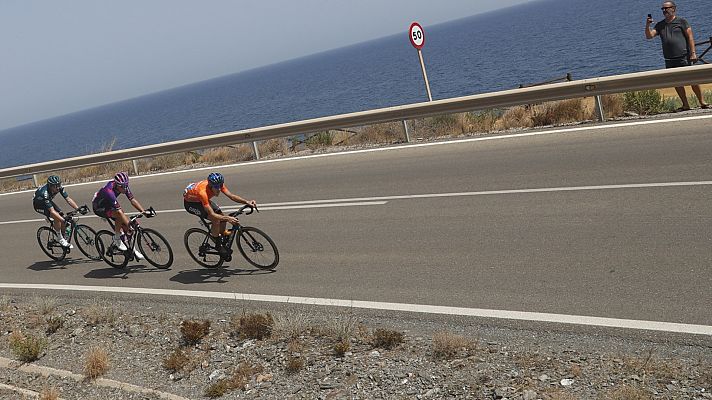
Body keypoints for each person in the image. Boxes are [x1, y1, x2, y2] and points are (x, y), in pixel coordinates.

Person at [645, 1, 710, 111]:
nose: (665, 11)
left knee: (693, 80)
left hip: (684, 57)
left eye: (667, 8)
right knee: (677, 83)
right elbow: (649, 36)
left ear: (674, 9)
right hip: (670, 59)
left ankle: (702, 102)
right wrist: (647, 25)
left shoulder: (682, 21)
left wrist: (693, 53)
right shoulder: (660, 25)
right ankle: (685, 105)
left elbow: (690, 37)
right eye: (663, 9)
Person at [183, 172, 256, 255]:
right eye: (216, 187)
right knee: (216, 220)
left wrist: (247, 202)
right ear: (210, 186)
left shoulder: (218, 185)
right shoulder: (202, 193)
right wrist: (228, 218)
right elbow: (212, 214)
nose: (219, 189)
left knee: (222, 217)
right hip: (191, 204)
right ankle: (218, 245)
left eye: (220, 186)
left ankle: (222, 234)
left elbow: (231, 196)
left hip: (200, 199)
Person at [92, 172, 149, 259]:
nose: (125, 188)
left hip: (109, 204)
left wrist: (143, 212)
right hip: (99, 207)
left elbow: (132, 200)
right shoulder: (109, 191)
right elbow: (119, 211)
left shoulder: (123, 185)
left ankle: (133, 250)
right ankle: (117, 237)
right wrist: (129, 224)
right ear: (117, 185)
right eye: (122, 186)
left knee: (126, 227)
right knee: (120, 215)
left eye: (126, 185)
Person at [32, 175, 85, 248]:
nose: (57, 188)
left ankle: (63, 234)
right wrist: (62, 220)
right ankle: (60, 239)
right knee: (58, 218)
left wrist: (78, 208)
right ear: (50, 186)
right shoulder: (45, 193)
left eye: (58, 185)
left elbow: (68, 199)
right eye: (55, 186)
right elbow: (52, 211)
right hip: (39, 205)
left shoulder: (60, 188)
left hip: (48, 201)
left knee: (61, 215)